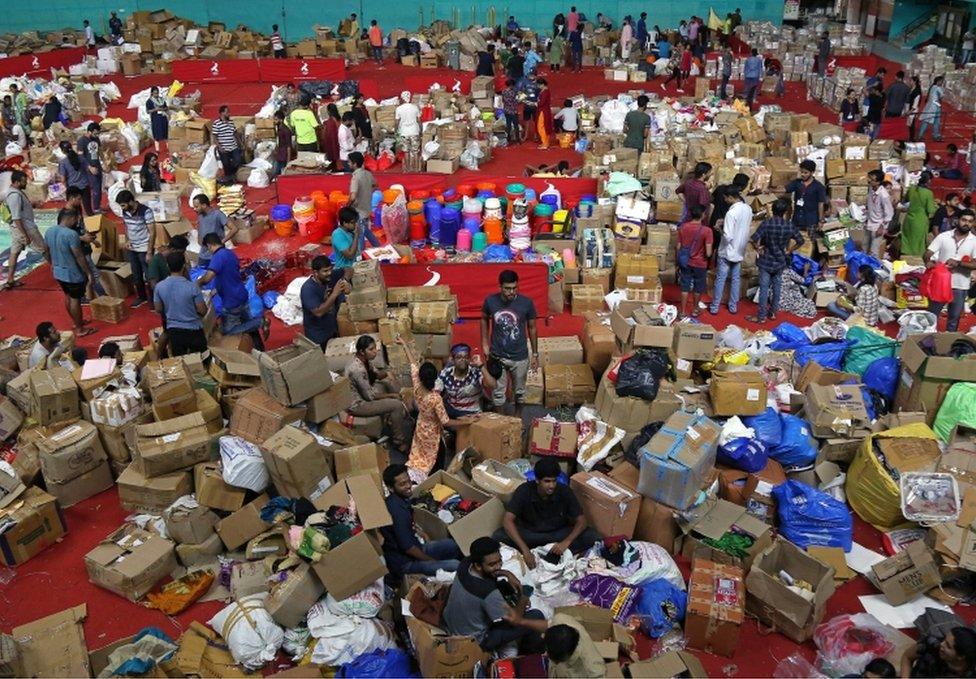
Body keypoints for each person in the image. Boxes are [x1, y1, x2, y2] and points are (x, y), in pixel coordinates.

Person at [443, 537, 547, 655]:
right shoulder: (489, 593)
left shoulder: (465, 564)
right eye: (492, 564)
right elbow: (515, 620)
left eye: (500, 561)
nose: (498, 567)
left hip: (451, 622)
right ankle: (530, 654)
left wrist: (507, 574)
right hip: (475, 641)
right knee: (536, 615)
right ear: (478, 565)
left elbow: (494, 574)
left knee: (503, 586)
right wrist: (523, 597)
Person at [493, 458, 602, 568]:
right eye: (547, 481)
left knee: (593, 536)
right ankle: (537, 553)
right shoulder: (524, 491)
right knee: (498, 536)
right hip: (530, 534)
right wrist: (525, 550)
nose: (552, 486)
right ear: (537, 480)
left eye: (554, 481)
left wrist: (566, 543)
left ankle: (554, 553)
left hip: (557, 534)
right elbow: (507, 520)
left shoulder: (565, 491)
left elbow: (582, 521)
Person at [398, 338, 464, 478]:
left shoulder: (417, 386)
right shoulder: (435, 399)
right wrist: (466, 422)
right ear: (435, 378)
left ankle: (416, 475)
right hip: (433, 432)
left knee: (420, 454)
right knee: (436, 457)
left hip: (421, 426)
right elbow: (445, 421)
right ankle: (434, 477)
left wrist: (404, 344)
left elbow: (412, 363)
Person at [380, 464, 462, 577]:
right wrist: (432, 561)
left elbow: (406, 528)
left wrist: (421, 533)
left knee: (453, 545)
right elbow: (408, 548)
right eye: (402, 484)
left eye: (408, 481)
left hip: (416, 546)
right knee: (455, 566)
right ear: (390, 488)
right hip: (405, 563)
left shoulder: (399, 500)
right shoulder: (397, 511)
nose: (409, 486)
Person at [481, 269, 538, 414]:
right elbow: (483, 319)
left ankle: (518, 419)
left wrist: (535, 354)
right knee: (498, 394)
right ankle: (501, 422)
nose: (511, 292)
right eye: (507, 288)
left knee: (519, 392)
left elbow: (532, 328)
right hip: (497, 355)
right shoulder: (490, 301)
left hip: (519, 356)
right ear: (500, 287)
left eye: (514, 288)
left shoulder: (526, 303)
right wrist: (485, 344)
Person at [197, 233, 268, 348]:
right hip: (241, 294)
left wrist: (197, 284)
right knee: (248, 326)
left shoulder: (218, 257)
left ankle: (260, 322)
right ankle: (259, 349)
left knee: (227, 330)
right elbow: (228, 274)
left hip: (231, 301)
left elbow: (208, 277)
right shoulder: (230, 253)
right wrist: (217, 289)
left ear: (210, 245)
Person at [344, 335, 411, 455]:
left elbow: (377, 375)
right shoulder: (357, 369)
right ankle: (399, 442)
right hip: (357, 405)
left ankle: (393, 419)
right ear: (362, 351)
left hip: (365, 393)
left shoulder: (364, 361)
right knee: (396, 404)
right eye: (371, 349)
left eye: (375, 348)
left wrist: (388, 372)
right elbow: (370, 397)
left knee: (386, 383)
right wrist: (391, 395)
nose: (375, 351)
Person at [748, 198, 803, 324]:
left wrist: (758, 248)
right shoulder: (789, 225)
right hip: (780, 261)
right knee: (777, 287)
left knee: (764, 288)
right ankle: (773, 313)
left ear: (772, 210)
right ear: (785, 212)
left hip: (766, 260)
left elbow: (754, 238)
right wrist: (789, 250)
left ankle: (761, 317)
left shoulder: (767, 223)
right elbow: (800, 240)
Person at [923, 210, 976, 331]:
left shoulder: (974, 241)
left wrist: (958, 263)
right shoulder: (943, 236)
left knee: (954, 318)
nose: (966, 223)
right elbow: (928, 253)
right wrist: (928, 262)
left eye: (970, 221)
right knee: (932, 316)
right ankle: (927, 343)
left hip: (960, 285)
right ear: (957, 220)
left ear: (973, 223)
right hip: (940, 283)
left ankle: (948, 344)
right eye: (964, 220)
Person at [44, 208, 94, 337]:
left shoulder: (49, 231)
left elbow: (46, 251)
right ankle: (80, 328)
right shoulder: (71, 234)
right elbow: (79, 256)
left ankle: (76, 322)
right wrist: (88, 273)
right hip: (72, 273)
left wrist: (52, 264)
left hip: (58, 271)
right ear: (71, 218)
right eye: (76, 220)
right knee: (75, 299)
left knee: (68, 296)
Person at [154, 251, 207, 356]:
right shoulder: (192, 287)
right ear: (184, 266)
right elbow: (202, 310)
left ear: (167, 266)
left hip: (174, 332)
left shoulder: (159, 287)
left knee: (181, 365)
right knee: (202, 362)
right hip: (194, 331)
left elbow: (158, 309)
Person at [709, 188, 753, 316]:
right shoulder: (748, 209)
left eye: (726, 198)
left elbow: (728, 236)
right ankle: (733, 306)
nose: (725, 200)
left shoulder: (731, 213)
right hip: (740, 249)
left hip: (727, 251)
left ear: (730, 197)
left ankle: (715, 306)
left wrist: (718, 228)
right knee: (735, 279)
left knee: (721, 279)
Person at [115, 190, 154, 308]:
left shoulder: (146, 211)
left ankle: (153, 300)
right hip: (132, 249)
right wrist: (127, 240)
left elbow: (152, 233)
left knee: (149, 276)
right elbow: (126, 227)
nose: (122, 208)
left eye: (123, 205)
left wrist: (149, 251)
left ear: (131, 201)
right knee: (136, 276)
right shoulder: (125, 211)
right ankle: (142, 297)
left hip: (143, 248)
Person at [301, 255, 349, 350]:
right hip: (318, 337)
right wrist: (335, 293)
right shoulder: (308, 289)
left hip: (333, 330)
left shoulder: (330, 277)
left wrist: (345, 280)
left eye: (330, 269)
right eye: (325, 271)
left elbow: (349, 269)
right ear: (315, 272)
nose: (329, 273)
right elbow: (318, 312)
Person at [64, 186, 104, 301]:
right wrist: (82, 238)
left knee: (86, 274)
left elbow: (82, 227)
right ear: (72, 198)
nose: (80, 201)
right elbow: (64, 235)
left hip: (85, 248)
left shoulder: (77, 209)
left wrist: (92, 239)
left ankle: (84, 297)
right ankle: (103, 298)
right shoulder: (65, 215)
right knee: (94, 274)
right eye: (79, 199)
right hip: (79, 250)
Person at [436, 343, 496, 417]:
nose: (463, 360)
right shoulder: (446, 373)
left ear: (469, 359)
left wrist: (481, 366)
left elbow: (493, 385)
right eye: (459, 357)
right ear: (453, 360)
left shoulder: (476, 372)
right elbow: (435, 394)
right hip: (452, 412)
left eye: (466, 357)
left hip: (473, 413)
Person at [676, 205, 714, 318]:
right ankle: (695, 309)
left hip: (685, 261)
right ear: (702, 215)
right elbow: (708, 253)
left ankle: (682, 312)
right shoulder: (707, 231)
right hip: (700, 263)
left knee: (685, 286)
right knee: (698, 287)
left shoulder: (683, 227)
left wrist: (678, 261)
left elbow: (678, 246)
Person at [901, 626, 976, 678]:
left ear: (961, 656)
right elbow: (907, 657)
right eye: (944, 639)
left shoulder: (971, 672)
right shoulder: (932, 644)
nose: (941, 644)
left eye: (948, 646)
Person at [348, 152, 382, 250]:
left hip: (359, 211)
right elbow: (375, 185)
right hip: (367, 209)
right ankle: (378, 246)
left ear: (354, 164)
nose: (348, 164)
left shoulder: (355, 178)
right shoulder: (368, 174)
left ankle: (361, 255)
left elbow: (353, 196)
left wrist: (348, 206)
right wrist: (368, 192)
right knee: (365, 230)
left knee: (360, 235)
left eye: (349, 162)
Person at [785, 160, 829, 236]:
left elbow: (821, 204)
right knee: (794, 241)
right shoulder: (797, 183)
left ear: (812, 173)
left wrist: (821, 220)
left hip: (810, 221)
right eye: (801, 172)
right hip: (797, 219)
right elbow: (785, 189)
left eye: (805, 173)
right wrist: (771, 190)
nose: (802, 174)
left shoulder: (819, 187)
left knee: (810, 243)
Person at [192, 194, 234, 268]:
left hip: (216, 254)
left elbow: (234, 229)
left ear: (204, 205)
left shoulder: (218, 214)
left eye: (196, 207)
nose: (194, 209)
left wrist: (222, 242)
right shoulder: (200, 215)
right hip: (203, 254)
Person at [902, 171, 937, 256]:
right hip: (920, 221)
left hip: (908, 219)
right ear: (928, 181)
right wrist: (935, 205)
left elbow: (905, 201)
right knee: (918, 244)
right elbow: (930, 210)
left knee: (907, 241)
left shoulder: (912, 188)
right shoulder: (928, 193)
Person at [57, 141, 93, 215]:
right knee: (88, 207)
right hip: (84, 185)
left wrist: (66, 188)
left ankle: (80, 222)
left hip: (73, 188)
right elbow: (88, 169)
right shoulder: (81, 158)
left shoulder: (63, 162)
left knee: (76, 209)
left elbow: (63, 179)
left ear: (62, 151)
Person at [866, 169, 894, 258]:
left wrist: (882, 227)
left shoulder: (884, 195)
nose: (869, 180)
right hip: (869, 223)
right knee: (864, 248)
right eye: (869, 178)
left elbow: (889, 213)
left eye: (872, 179)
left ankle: (874, 270)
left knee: (874, 252)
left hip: (878, 226)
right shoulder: (871, 188)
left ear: (878, 182)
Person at [212, 106, 243, 183]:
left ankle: (233, 174)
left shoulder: (231, 122)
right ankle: (229, 177)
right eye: (227, 112)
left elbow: (235, 133)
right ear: (222, 113)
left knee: (238, 160)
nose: (229, 113)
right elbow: (215, 137)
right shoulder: (216, 123)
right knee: (226, 164)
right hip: (224, 148)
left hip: (233, 146)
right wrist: (220, 147)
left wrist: (240, 143)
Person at [78, 122, 103, 213]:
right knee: (95, 188)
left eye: (98, 133)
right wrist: (89, 167)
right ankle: (95, 208)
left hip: (97, 165)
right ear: (89, 131)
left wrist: (104, 162)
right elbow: (81, 156)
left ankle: (98, 206)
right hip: (89, 168)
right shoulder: (82, 141)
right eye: (95, 133)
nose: (96, 135)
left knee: (99, 187)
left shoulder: (96, 139)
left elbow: (99, 151)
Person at [395, 92, 422, 173]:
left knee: (406, 151)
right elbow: (419, 121)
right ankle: (416, 169)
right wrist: (420, 130)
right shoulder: (415, 107)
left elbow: (396, 122)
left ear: (402, 98)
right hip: (414, 131)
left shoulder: (399, 109)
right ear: (410, 98)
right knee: (415, 151)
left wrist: (396, 131)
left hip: (404, 132)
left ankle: (407, 169)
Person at [918, 75, 945, 142]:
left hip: (929, 106)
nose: (942, 83)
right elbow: (942, 96)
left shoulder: (932, 87)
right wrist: (939, 104)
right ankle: (935, 135)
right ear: (938, 81)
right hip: (935, 107)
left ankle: (920, 135)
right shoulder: (938, 88)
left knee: (926, 121)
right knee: (937, 122)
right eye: (941, 81)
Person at [145, 86, 168, 152]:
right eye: (155, 93)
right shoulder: (149, 101)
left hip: (163, 117)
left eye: (157, 93)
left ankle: (168, 147)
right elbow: (148, 111)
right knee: (157, 133)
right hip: (156, 119)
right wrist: (155, 109)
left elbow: (166, 107)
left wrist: (164, 109)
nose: (156, 95)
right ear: (152, 93)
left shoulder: (161, 99)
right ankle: (157, 149)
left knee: (165, 132)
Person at [272, 109, 294, 177]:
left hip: (284, 157)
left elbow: (289, 146)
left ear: (281, 120)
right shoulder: (278, 128)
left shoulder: (286, 131)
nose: (274, 121)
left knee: (277, 173)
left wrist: (288, 160)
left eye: (276, 119)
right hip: (279, 154)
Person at [534, 78, 553, 150]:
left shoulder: (545, 92)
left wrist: (536, 103)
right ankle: (545, 142)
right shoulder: (544, 90)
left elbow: (541, 102)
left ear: (542, 84)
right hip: (543, 110)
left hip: (543, 111)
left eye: (538, 85)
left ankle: (545, 143)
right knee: (544, 126)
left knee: (541, 127)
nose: (538, 86)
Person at [322, 103, 341, 168]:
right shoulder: (339, 119)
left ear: (328, 111)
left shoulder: (330, 122)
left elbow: (328, 136)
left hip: (333, 142)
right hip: (339, 141)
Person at [907, 75, 923, 141]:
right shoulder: (912, 89)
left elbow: (916, 103)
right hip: (910, 108)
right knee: (909, 124)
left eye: (911, 81)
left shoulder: (917, 91)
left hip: (913, 110)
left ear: (914, 82)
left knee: (911, 125)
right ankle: (911, 137)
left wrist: (910, 111)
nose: (910, 82)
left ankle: (912, 138)